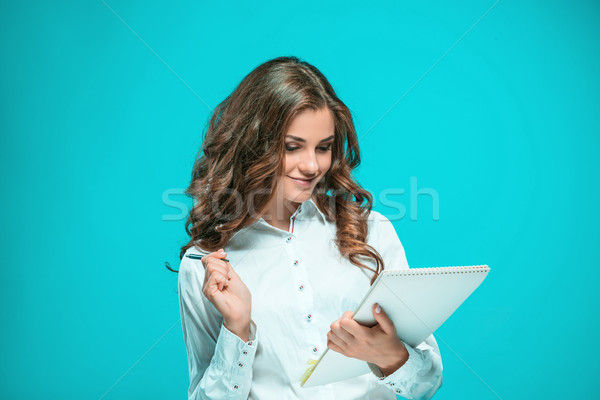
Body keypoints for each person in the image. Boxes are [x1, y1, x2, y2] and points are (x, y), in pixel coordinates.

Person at [176, 56, 443, 399]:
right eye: (292, 147)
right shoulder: (206, 266)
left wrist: (388, 355)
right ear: (252, 144)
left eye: (324, 148)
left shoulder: (372, 232)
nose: (312, 165)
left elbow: (426, 383)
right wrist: (237, 329)